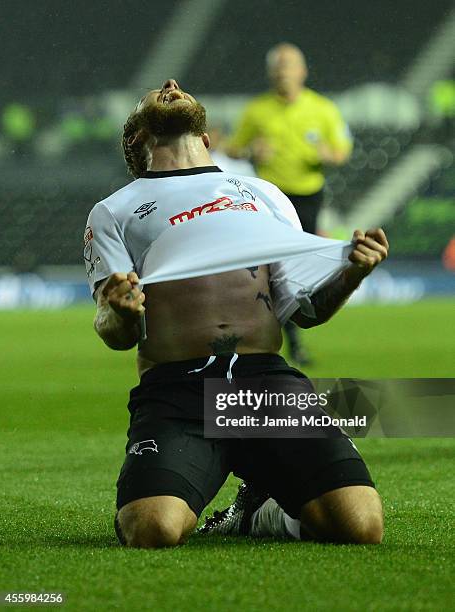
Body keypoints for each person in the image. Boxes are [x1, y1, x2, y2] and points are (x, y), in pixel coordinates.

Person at [84, 78, 388, 549]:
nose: (171, 83)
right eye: (154, 91)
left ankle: (260, 512)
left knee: (361, 526)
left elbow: (304, 312)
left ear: (206, 138)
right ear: (136, 137)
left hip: (264, 382)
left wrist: (352, 273)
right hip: (177, 390)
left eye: (177, 86)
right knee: (153, 529)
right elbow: (114, 331)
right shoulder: (114, 212)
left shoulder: (263, 194)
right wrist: (121, 311)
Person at [227, 42, 353, 364]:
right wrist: (251, 150)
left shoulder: (323, 109)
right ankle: (288, 339)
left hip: (307, 194)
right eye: (279, 66)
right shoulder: (257, 110)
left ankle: (293, 326)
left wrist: (330, 154)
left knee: (298, 266)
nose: (283, 71)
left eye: (289, 65)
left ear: (302, 71)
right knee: (269, 265)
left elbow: (342, 150)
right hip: (269, 197)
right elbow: (232, 148)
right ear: (271, 73)